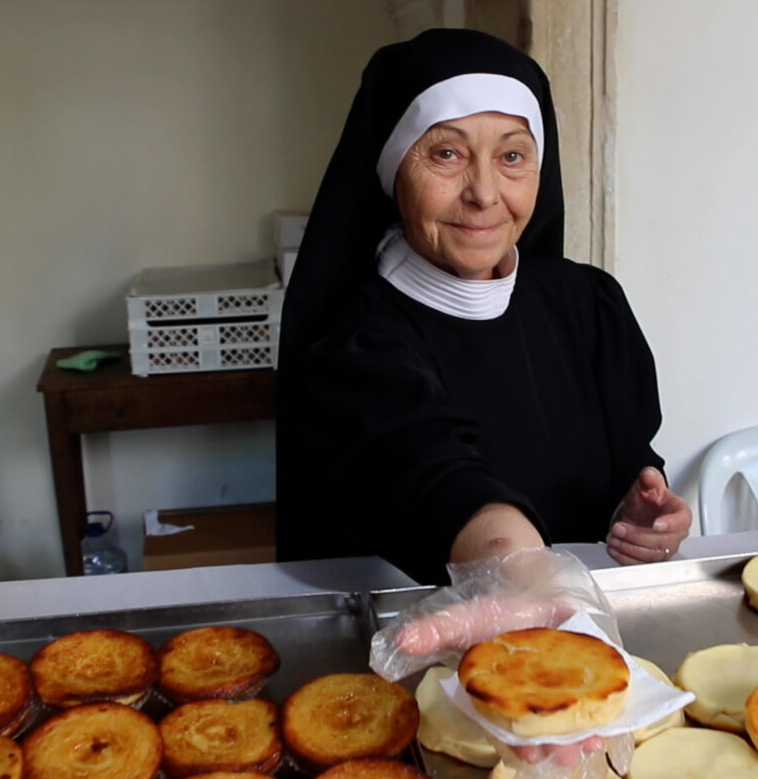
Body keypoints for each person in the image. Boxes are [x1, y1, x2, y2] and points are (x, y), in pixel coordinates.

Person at [276, 28, 691, 586]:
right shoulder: (350, 344)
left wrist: (634, 513)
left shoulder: (588, 305)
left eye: (512, 155)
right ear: (392, 170)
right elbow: (432, 475)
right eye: (447, 154)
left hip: (575, 616)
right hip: (408, 640)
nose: (485, 193)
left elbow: (624, 457)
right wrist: (512, 560)